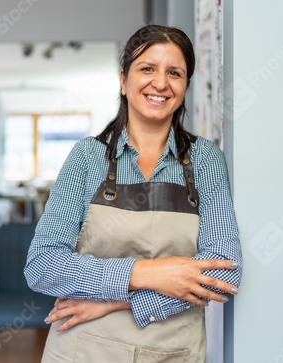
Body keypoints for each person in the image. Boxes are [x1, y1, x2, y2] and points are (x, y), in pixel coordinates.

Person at [24, 24, 243, 362]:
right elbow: (42, 264)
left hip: (173, 352)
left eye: (175, 73)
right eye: (147, 69)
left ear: (185, 86)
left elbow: (223, 271)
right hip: (83, 349)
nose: (160, 83)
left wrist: (119, 299)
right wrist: (146, 273)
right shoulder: (87, 157)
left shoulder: (205, 160)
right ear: (124, 80)